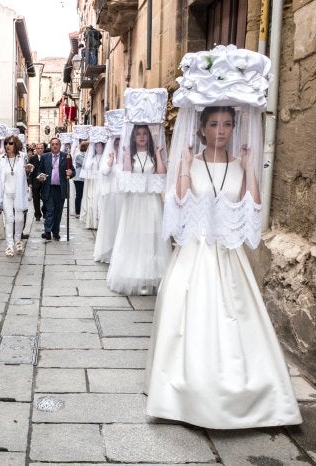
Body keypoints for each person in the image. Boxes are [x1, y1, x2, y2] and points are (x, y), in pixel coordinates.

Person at [146, 45, 301, 429]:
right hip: (195, 255)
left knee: (238, 321)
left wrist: (249, 169)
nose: (220, 132)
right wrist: (182, 166)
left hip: (228, 259)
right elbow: (177, 203)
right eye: (213, 125)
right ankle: (185, 395)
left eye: (226, 125)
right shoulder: (192, 162)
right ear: (201, 128)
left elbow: (252, 207)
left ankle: (250, 395)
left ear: (234, 128)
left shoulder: (238, 163)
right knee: (188, 322)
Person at [106, 123, 171, 294]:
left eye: (144, 134)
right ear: (133, 137)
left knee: (151, 239)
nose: (142, 137)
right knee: (135, 237)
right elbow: (127, 175)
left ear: (148, 136)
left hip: (151, 202)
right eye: (138, 134)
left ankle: (150, 277)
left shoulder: (152, 155)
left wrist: (158, 153)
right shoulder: (131, 155)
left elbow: (162, 174)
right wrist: (127, 154)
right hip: (134, 203)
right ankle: (137, 276)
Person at [0, 135, 30, 256]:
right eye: (6, 143)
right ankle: (9, 245)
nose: (7, 146)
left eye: (10, 143)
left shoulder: (22, 157)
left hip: (19, 193)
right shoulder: (1, 158)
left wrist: (28, 170)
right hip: (6, 193)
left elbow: (27, 171)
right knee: (9, 219)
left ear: (15, 144)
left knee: (19, 218)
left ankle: (18, 241)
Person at [37, 137, 75, 241]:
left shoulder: (66, 156)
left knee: (58, 212)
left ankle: (56, 232)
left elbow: (72, 170)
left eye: (56, 144)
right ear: (50, 145)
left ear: (60, 145)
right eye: (52, 144)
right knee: (50, 211)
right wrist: (40, 176)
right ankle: (47, 231)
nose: (54, 146)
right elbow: (39, 170)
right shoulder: (45, 156)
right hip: (48, 188)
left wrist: (70, 173)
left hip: (60, 189)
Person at [80, 128, 108, 229]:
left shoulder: (106, 157)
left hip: (102, 182)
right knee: (92, 201)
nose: (99, 148)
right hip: (94, 182)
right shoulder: (92, 158)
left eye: (100, 146)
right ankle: (93, 222)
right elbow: (87, 168)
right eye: (97, 146)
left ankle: (101, 222)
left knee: (101, 201)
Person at [28, 142, 46, 221]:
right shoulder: (32, 158)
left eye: (41, 148)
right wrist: (30, 182)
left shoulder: (47, 157)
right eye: (38, 148)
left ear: (43, 149)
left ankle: (45, 212)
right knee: (36, 199)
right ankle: (37, 214)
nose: (40, 150)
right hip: (35, 182)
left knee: (45, 198)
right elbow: (30, 172)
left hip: (45, 181)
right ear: (36, 149)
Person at [72, 140, 88, 219]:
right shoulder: (79, 156)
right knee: (79, 195)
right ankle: (77, 211)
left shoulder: (86, 155)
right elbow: (85, 165)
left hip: (84, 178)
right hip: (78, 178)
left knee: (83, 194)